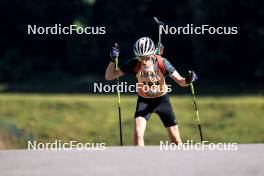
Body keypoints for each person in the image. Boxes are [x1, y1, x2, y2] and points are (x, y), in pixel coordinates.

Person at [105, 37, 197, 146]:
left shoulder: (162, 63)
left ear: (152, 54)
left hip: (162, 101)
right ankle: (141, 161)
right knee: (138, 133)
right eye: (140, 57)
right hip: (144, 102)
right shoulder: (134, 63)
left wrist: (189, 79)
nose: (143, 60)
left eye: (146, 57)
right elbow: (110, 76)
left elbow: (181, 82)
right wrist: (112, 60)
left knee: (176, 140)